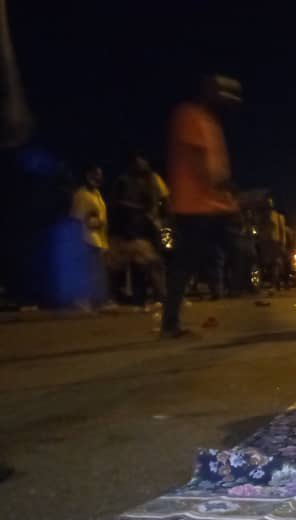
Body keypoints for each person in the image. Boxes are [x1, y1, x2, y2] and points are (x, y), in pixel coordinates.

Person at [162, 74, 242, 337]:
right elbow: (197, 161)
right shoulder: (190, 115)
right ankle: (170, 323)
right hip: (194, 206)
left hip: (213, 206)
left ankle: (237, 297)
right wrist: (217, 187)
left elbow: (215, 166)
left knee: (234, 252)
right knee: (187, 263)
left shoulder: (209, 122)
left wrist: (225, 194)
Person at [108, 152, 168, 306]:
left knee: (155, 261)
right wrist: (141, 211)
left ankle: (156, 296)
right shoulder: (124, 181)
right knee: (138, 265)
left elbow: (163, 200)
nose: (143, 164)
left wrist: (159, 218)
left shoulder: (152, 179)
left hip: (151, 228)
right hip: (131, 230)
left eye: (144, 161)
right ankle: (141, 298)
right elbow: (118, 204)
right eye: (140, 161)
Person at [69, 164, 109, 307]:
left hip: (97, 237)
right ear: (87, 175)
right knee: (88, 270)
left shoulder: (96, 194)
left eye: (100, 175)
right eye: (95, 174)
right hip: (86, 237)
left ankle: (94, 301)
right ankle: (82, 300)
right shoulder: (82, 194)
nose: (98, 178)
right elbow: (78, 218)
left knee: (95, 271)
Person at [262, 196, 288, 290]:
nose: (268, 205)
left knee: (276, 263)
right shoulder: (263, 216)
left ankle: (274, 284)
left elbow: (282, 231)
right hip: (266, 243)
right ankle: (276, 283)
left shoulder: (278, 216)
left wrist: (283, 243)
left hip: (276, 242)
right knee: (269, 264)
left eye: (269, 203)